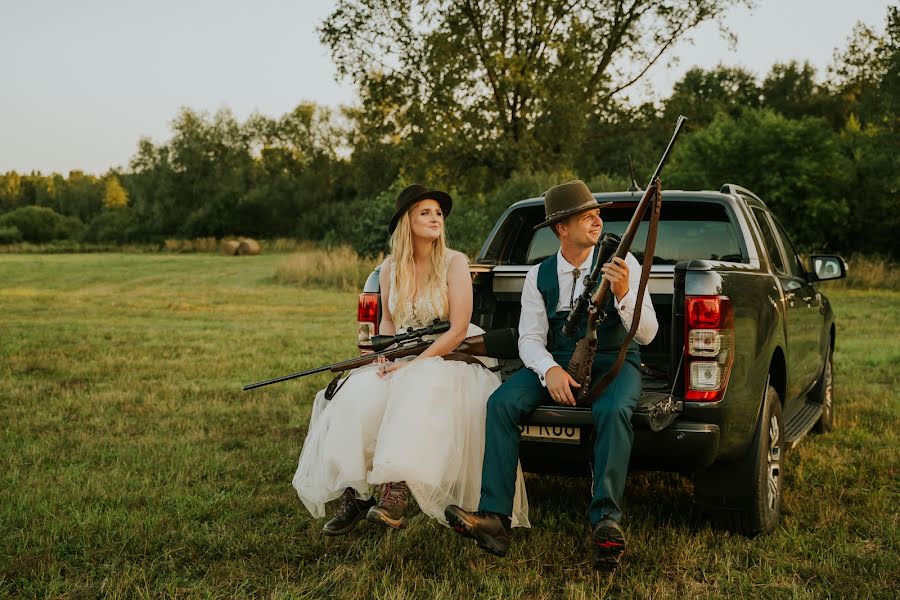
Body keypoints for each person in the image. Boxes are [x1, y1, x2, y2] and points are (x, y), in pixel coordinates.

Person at [292, 184, 529, 536]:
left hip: (450, 356)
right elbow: (388, 323)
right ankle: (356, 494)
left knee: (417, 384)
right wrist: (385, 360)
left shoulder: (455, 262)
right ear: (407, 222)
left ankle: (395, 491)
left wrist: (415, 364)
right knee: (356, 393)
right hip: (404, 353)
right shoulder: (389, 269)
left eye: (438, 213)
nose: (435, 218)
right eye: (425, 212)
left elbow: (459, 329)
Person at [445, 180, 658, 571]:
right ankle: (495, 519)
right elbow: (529, 339)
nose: (597, 220)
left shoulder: (625, 265)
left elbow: (647, 334)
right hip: (556, 359)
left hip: (614, 362)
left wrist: (625, 292)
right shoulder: (538, 275)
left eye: (597, 213)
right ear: (562, 228)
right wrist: (550, 370)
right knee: (502, 402)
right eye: (585, 215)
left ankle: (606, 521)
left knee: (613, 413)